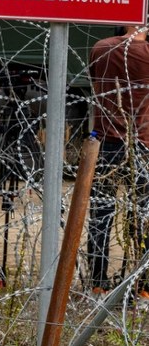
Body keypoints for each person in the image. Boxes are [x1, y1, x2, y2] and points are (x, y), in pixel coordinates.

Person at [87, 25, 149, 298]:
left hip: (106, 145)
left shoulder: (100, 48)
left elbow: (95, 85)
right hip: (144, 145)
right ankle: (143, 286)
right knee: (143, 217)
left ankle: (98, 282)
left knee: (101, 215)